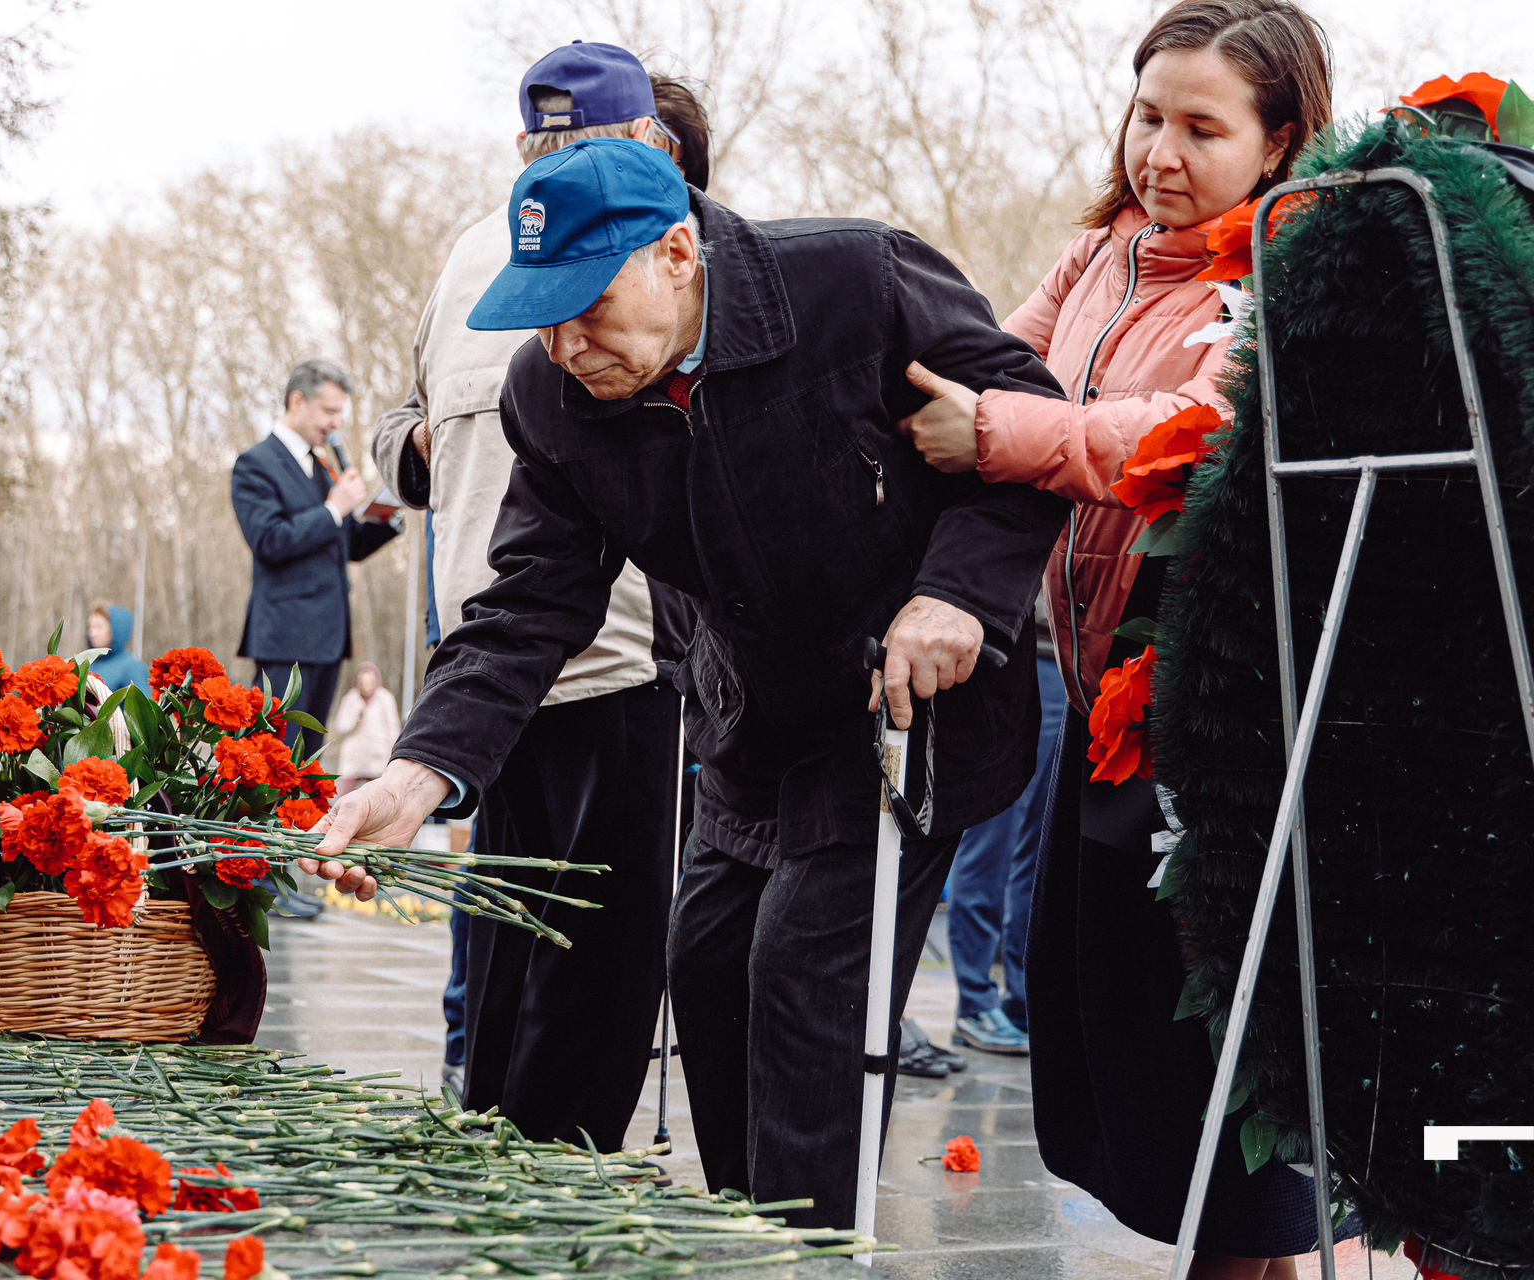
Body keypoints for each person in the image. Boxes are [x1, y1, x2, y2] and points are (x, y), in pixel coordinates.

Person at [311, 134, 1070, 1224]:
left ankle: (799, 1243)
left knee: (801, 985)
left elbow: (1025, 428)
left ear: (676, 252)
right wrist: (419, 771)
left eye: (591, 305)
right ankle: (751, 1232)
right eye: (546, 313)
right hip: (744, 727)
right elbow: (528, 604)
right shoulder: (554, 397)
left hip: (899, 711)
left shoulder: (857, 282)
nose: (569, 343)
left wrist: (957, 590)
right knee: (707, 973)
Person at [895, 2, 1333, 1272]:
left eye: (1205, 126)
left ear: (1282, 139)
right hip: (1090, 708)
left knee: (1226, 1109)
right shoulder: (1103, 253)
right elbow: (1008, 365)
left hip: (1216, 731)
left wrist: (996, 434)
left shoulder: (1288, 272)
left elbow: (1197, 429)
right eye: (1151, 115)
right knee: (1139, 1080)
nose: (1163, 152)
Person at [367, 43, 706, 1154]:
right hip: (576, 649)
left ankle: (498, 1147)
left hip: (518, 661)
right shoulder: (569, 261)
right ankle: (551, 1169)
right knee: (585, 964)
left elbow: (402, 443)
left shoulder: (495, 255)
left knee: (518, 938)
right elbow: (397, 437)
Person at [233, 358, 399, 759]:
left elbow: (347, 546)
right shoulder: (255, 464)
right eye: (329, 410)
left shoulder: (322, 465)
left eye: (340, 412)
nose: (336, 422)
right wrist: (332, 509)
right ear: (296, 401)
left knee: (307, 762)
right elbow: (269, 540)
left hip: (329, 638)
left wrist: (387, 514)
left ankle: (303, 824)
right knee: (274, 759)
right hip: (286, 642)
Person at [943, 601, 1062, 1056]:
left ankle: (1022, 996)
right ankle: (974, 1002)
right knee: (990, 842)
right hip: (1010, 655)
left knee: (1039, 849)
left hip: (1068, 667)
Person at [330, 661, 399, 794]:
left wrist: (393, 751)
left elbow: (393, 727)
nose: (367, 687)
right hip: (354, 757)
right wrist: (354, 721)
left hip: (378, 755)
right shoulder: (350, 699)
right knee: (345, 796)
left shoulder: (385, 698)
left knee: (379, 796)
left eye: (370, 682)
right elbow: (340, 726)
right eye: (364, 683)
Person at [87, 601, 151, 695]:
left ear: (116, 629)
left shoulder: (132, 667)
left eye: (99, 627)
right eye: (90, 627)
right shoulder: (89, 664)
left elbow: (143, 707)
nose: (92, 634)